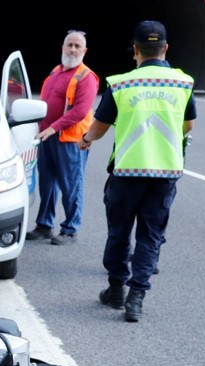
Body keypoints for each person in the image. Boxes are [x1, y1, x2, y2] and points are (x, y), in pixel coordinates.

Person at [78, 20, 196, 322]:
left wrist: (86, 139)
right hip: (164, 174)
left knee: (119, 232)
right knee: (150, 236)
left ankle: (116, 288)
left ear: (135, 50)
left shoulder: (121, 84)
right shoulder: (182, 83)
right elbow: (188, 126)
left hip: (127, 172)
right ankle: (136, 299)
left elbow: (100, 127)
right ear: (166, 48)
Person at [29, 30, 99, 246]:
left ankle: (70, 229)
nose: (73, 49)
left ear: (84, 51)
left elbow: (79, 111)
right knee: (47, 183)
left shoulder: (86, 77)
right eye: (70, 45)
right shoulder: (56, 71)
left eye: (78, 46)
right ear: (62, 46)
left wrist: (53, 128)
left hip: (71, 141)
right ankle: (45, 225)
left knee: (72, 185)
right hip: (48, 138)